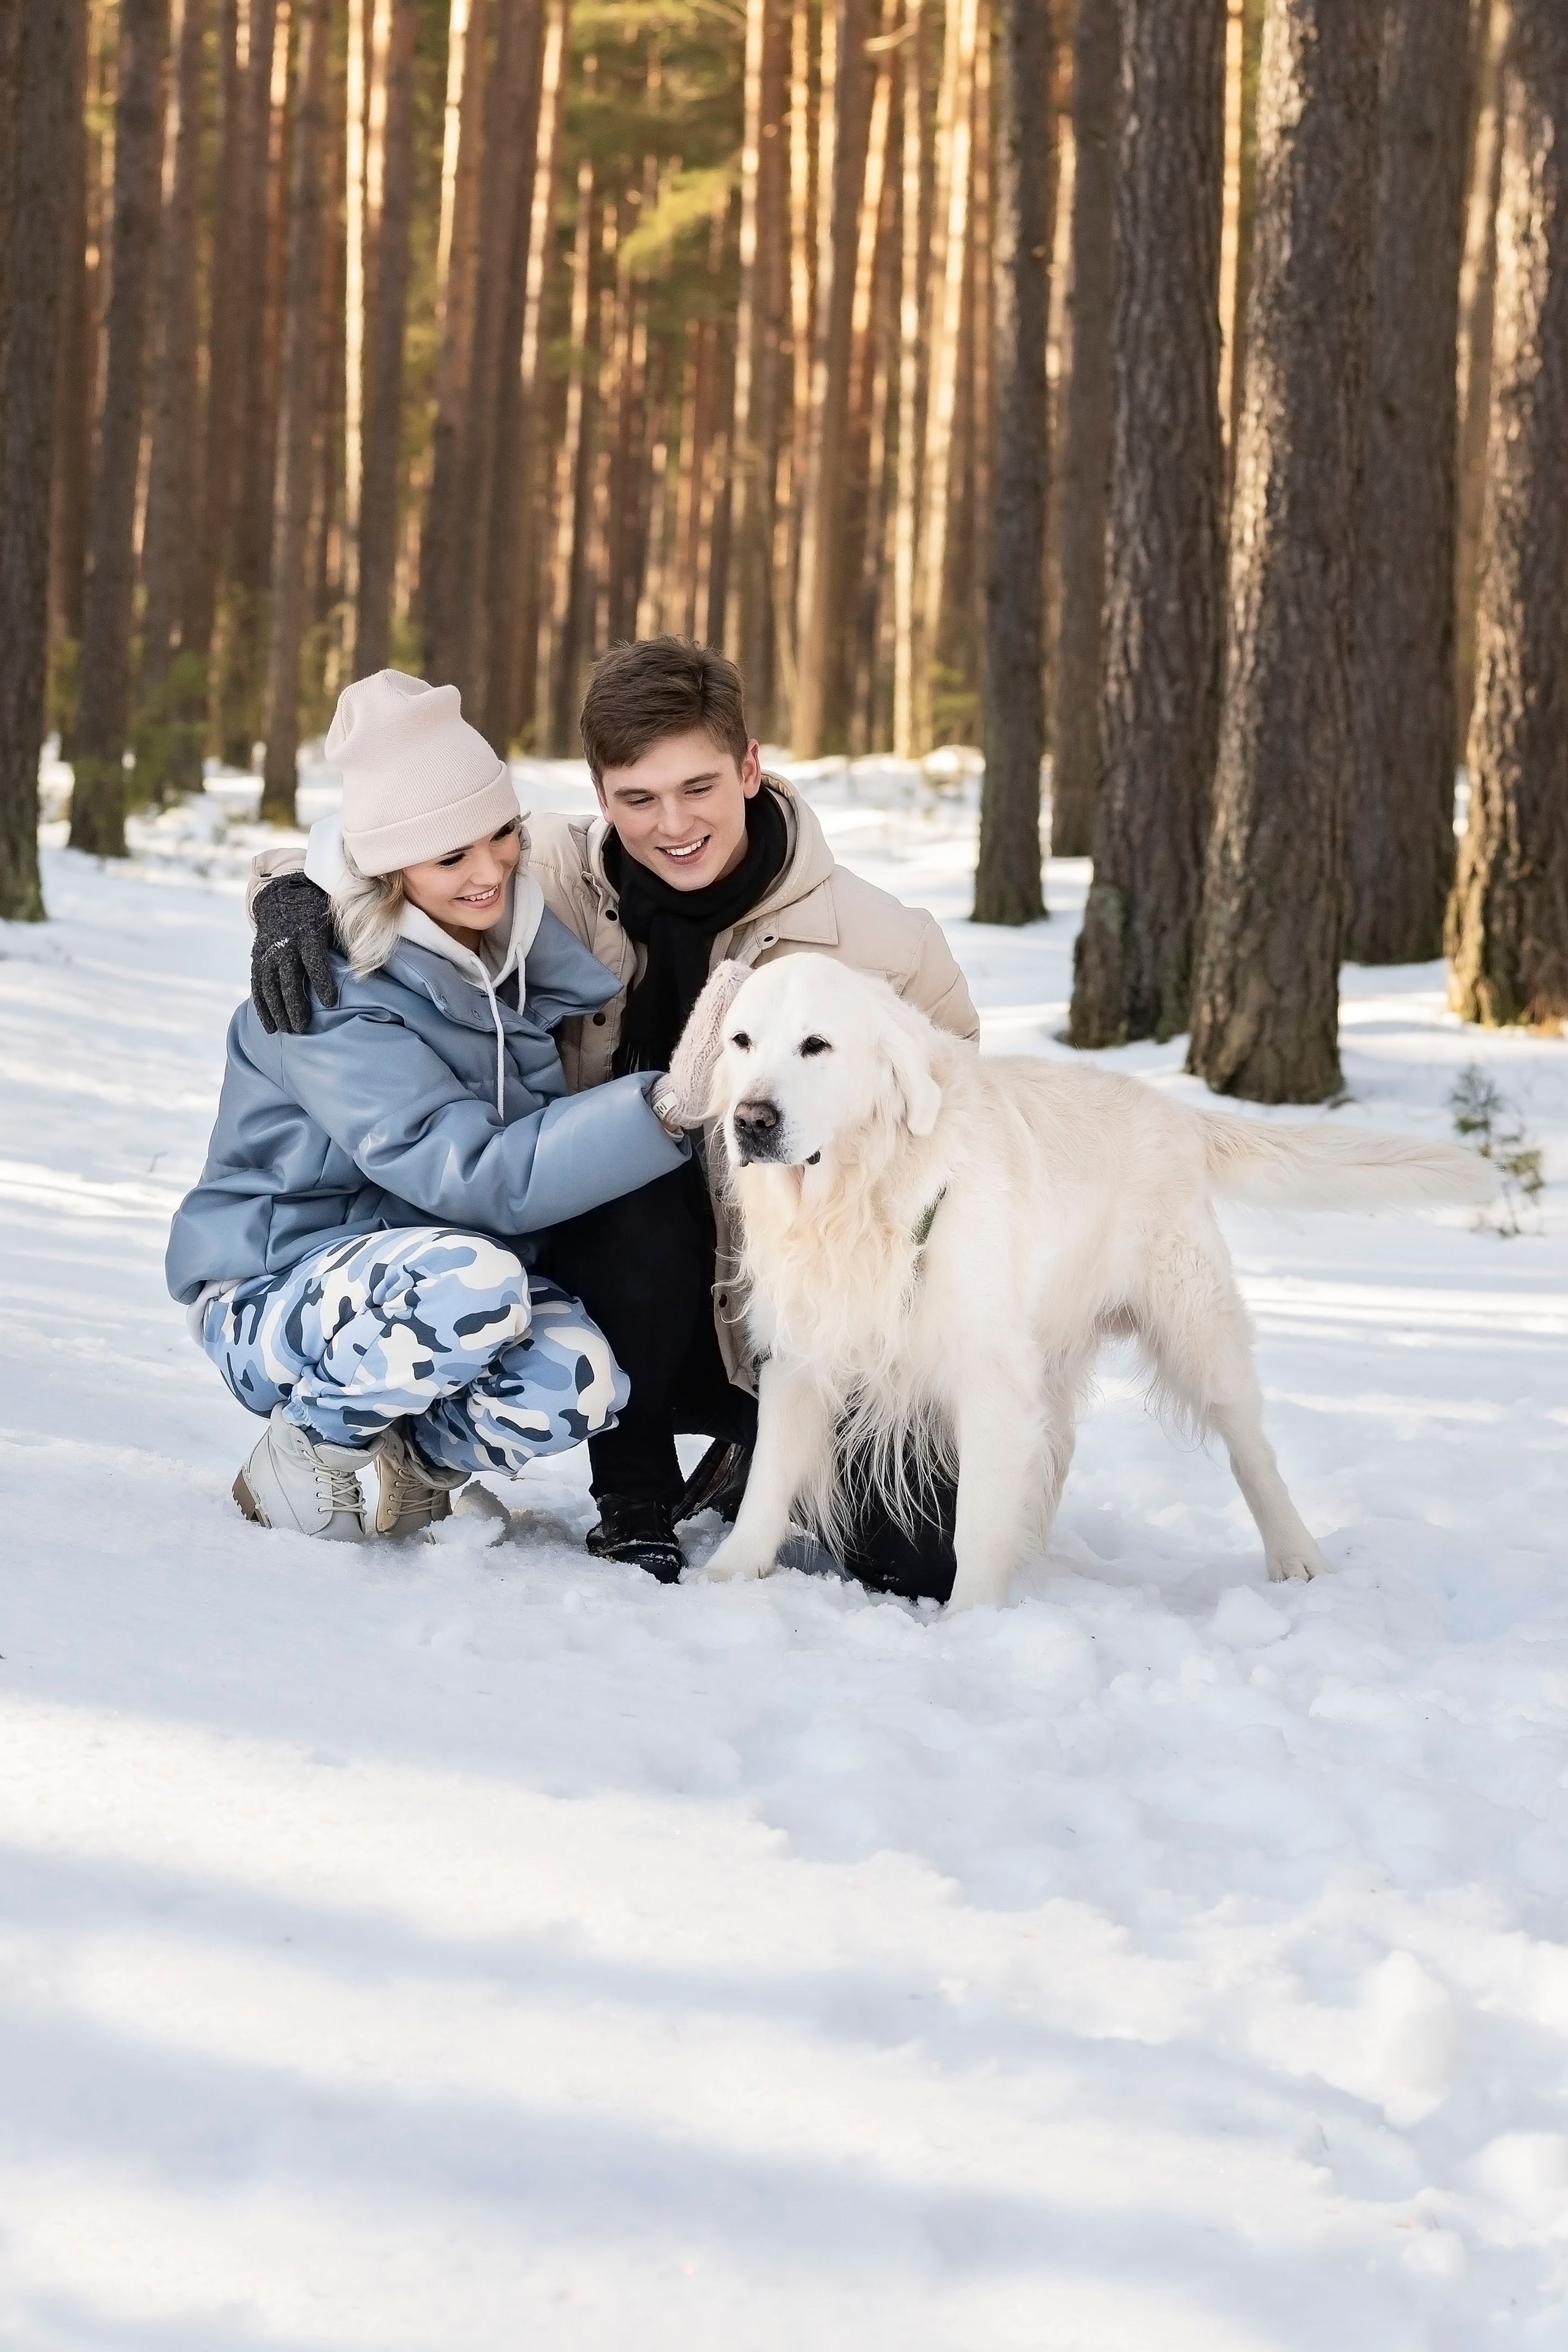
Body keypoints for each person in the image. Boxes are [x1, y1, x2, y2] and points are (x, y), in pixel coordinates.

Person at [247, 639, 980, 1593]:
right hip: (631, 1285)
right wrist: (291, 895)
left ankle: (760, 1455)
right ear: (600, 794)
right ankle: (633, 1492)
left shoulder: (885, 944)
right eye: (637, 798)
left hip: (816, 1302)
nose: (673, 825)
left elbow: (965, 1129)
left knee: (916, 1568)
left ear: (751, 767)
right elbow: (386, 851)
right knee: (629, 1173)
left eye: (700, 788)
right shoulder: (535, 869)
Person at [168, 669, 701, 1540]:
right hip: (277, 1291)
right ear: (385, 867)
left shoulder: (512, 950)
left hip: (434, 1284)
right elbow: (471, 1172)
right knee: (478, 1281)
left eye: (502, 835)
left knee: (579, 1377)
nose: (490, 869)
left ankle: (418, 1462)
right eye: (452, 855)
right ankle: (308, 1445)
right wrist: (669, 1106)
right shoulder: (324, 994)